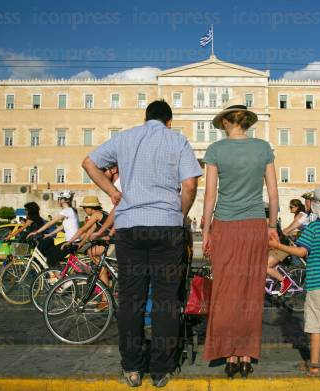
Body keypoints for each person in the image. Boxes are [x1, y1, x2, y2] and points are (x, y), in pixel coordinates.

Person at [82, 100, 202, 388]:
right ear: (169, 121)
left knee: (131, 298)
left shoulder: (124, 138)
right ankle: (161, 369)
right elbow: (190, 186)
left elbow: (89, 163)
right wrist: (178, 213)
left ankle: (133, 367)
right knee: (165, 299)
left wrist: (112, 191)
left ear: (145, 118)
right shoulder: (177, 140)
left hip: (130, 227)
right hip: (166, 227)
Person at [201, 104, 279, 379]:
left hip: (225, 225)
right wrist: (272, 226)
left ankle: (230, 355)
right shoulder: (263, 148)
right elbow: (273, 192)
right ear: (245, 122)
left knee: (225, 292)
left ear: (224, 123)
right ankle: (246, 355)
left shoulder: (216, 151)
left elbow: (210, 195)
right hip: (255, 224)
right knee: (250, 291)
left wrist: (206, 230)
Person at [269, 185, 320, 376]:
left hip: (317, 284)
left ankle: (314, 365)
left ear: (315, 206)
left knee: (315, 326)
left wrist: (277, 245)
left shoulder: (313, 228)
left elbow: (302, 251)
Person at [60, 196, 111, 289]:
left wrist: (70, 241)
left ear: (91, 208)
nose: (83, 210)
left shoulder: (96, 214)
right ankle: (101, 272)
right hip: (112, 241)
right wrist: (81, 243)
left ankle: (98, 269)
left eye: (85, 208)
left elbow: (83, 229)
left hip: (113, 243)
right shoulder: (100, 214)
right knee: (98, 262)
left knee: (90, 251)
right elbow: (89, 232)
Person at [267, 199, 309, 296]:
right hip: (291, 242)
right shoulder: (298, 215)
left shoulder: (301, 214)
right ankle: (275, 282)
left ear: (297, 207)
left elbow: (291, 227)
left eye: (291, 207)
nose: (290, 208)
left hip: (297, 244)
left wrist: (282, 235)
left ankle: (285, 281)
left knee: (266, 266)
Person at [26, 191, 79, 267]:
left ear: (64, 200)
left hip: (71, 242)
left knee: (50, 258)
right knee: (51, 252)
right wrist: (49, 234)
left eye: (60, 199)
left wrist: (36, 232)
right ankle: (58, 273)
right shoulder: (71, 210)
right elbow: (62, 227)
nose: (58, 200)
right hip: (72, 241)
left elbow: (51, 222)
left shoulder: (67, 211)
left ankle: (59, 278)